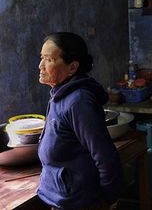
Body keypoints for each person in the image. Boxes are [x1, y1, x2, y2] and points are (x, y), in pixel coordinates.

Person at [37, 32, 122, 210]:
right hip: (61, 196)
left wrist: (108, 200)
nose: (41, 65)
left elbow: (106, 157)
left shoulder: (78, 101)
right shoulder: (59, 93)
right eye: (41, 58)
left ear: (72, 67)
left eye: (49, 60)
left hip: (80, 203)